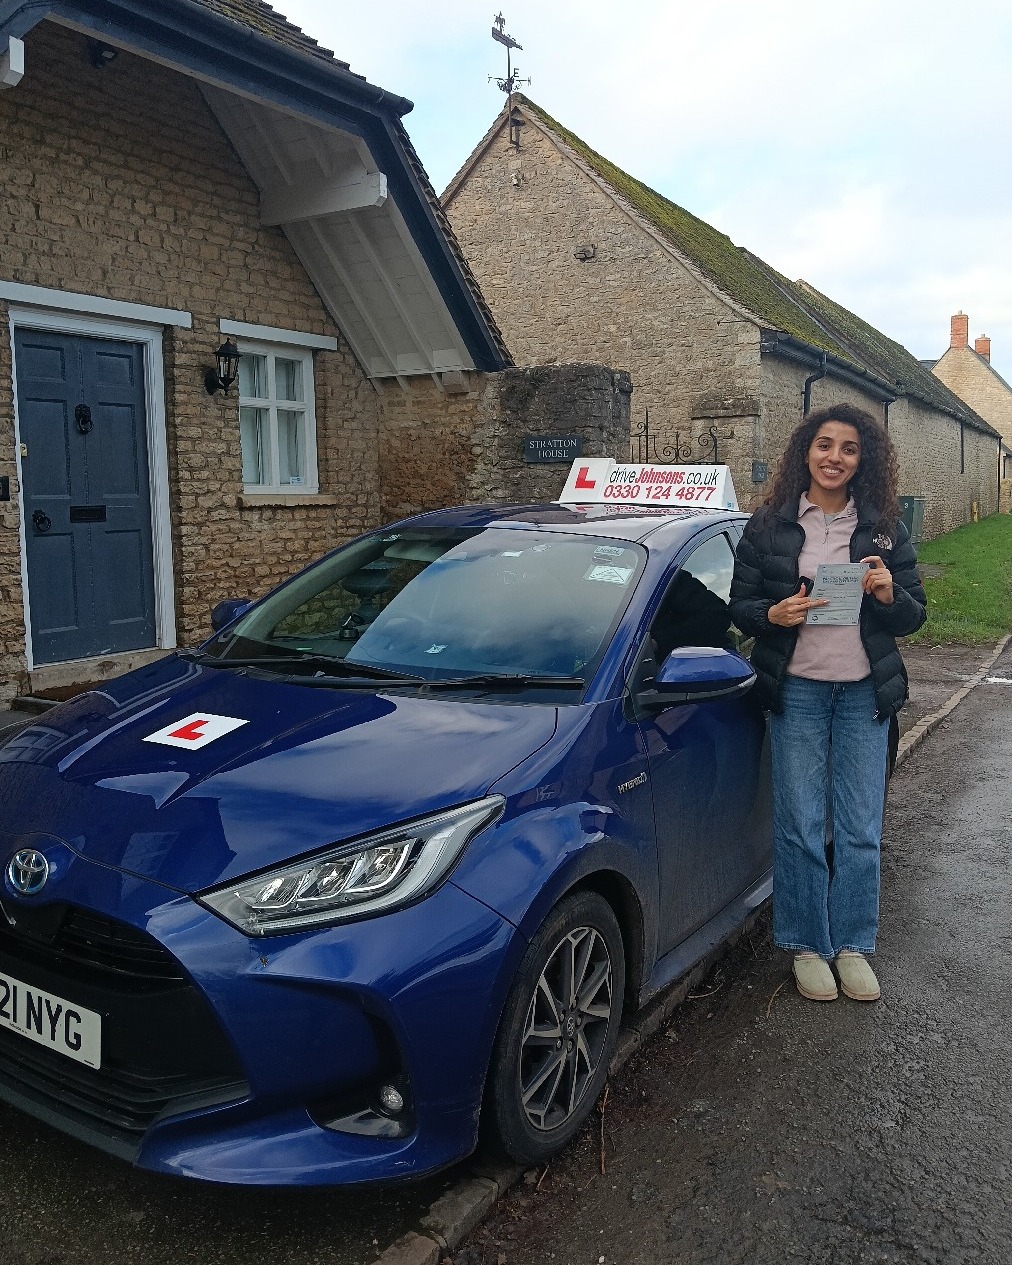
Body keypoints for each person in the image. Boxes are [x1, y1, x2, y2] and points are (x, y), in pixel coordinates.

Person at [729, 403, 926, 1003]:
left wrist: (888, 594)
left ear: (863, 460)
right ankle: (808, 944)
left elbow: (913, 616)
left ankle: (853, 944)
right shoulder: (769, 526)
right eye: (824, 445)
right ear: (805, 452)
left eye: (848, 448)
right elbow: (739, 608)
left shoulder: (884, 528)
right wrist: (772, 614)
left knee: (861, 827)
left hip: (865, 692)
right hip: (798, 691)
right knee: (800, 824)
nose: (834, 458)